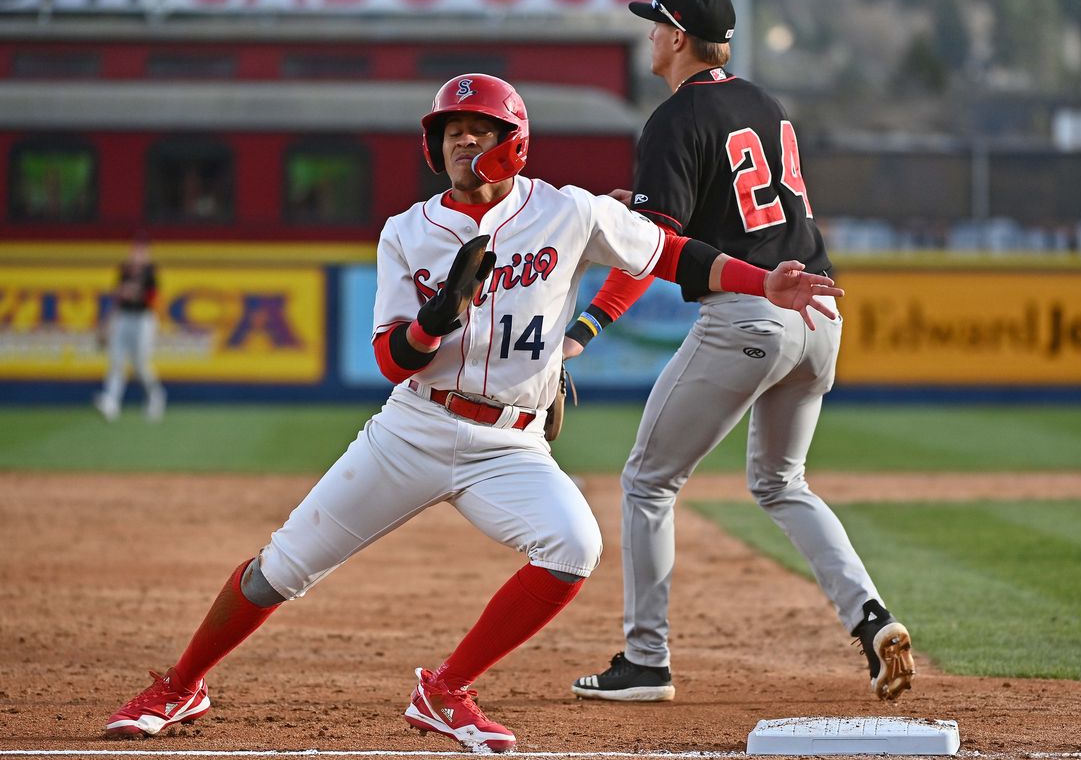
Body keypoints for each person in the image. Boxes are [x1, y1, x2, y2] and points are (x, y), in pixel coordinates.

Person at [103, 73, 844, 752]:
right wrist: (435, 319)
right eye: (451, 128)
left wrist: (759, 283)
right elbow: (394, 359)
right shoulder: (407, 231)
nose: (462, 138)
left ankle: (445, 690)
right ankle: (180, 686)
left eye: (479, 127)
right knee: (280, 569)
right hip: (414, 428)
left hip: (511, 444)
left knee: (573, 546)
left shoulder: (568, 212)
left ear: (513, 143)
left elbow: (670, 254)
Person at [567, 0, 915, 704]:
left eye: (655, 25)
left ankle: (646, 660)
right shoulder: (763, 102)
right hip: (819, 317)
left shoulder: (672, 119)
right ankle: (870, 617)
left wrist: (588, 327)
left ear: (679, 37)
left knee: (647, 481)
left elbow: (653, 248)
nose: (649, 36)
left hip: (748, 314)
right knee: (782, 483)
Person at [94, 235, 167, 422]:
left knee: (140, 364)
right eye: (135, 250)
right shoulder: (125, 271)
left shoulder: (150, 273)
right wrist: (107, 323)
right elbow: (117, 298)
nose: (137, 254)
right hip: (123, 318)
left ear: (147, 254)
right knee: (116, 359)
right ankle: (111, 402)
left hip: (143, 320)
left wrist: (134, 294)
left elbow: (153, 300)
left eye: (141, 251)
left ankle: (155, 396)